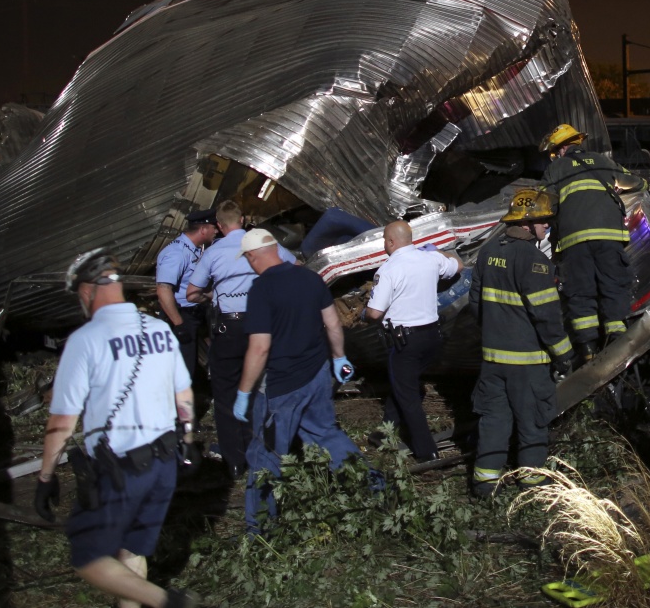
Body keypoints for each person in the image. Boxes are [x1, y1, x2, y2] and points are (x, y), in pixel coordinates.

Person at [33, 248, 198, 608]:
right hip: (165, 460)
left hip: (122, 468)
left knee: (88, 556)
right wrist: (187, 440)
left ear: (87, 291)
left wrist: (46, 477)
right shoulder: (159, 330)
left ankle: (169, 602)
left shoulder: (85, 340)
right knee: (132, 550)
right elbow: (183, 392)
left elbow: (62, 421)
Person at [232, 229, 366, 535]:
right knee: (326, 434)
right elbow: (332, 323)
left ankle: (261, 531)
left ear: (252, 257)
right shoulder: (310, 278)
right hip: (317, 374)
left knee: (265, 455)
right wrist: (338, 358)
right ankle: (372, 489)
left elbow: (260, 347)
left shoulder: (261, 289)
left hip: (281, 386)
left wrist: (243, 392)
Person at [468, 189, 573, 497]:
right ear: (529, 223)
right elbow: (548, 318)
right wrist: (564, 356)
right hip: (528, 364)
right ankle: (531, 487)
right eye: (544, 223)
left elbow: (476, 305)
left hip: (492, 361)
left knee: (494, 421)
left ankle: (484, 486)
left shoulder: (488, 252)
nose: (547, 229)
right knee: (532, 423)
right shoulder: (535, 261)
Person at [186, 200, 296, 476]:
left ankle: (234, 460)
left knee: (226, 392)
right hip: (265, 324)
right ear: (244, 218)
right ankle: (271, 451)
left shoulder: (213, 253)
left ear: (220, 226)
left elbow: (191, 293)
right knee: (266, 386)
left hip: (230, 328)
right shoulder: (263, 243)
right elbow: (294, 266)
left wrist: (214, 296)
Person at [538, 123, 648, 361]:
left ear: (563, 148)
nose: (555, 156)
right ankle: (617, 342)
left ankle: (587, 349)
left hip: (573, 241)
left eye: (555, 152)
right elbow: (638, 183)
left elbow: (544, 204)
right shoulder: (603, 161)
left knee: (580, 292)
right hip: (610, 237)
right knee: (613, 285)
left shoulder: (556, 169)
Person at [363, 221, 463, 462]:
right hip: (432, 338)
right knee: (404, 384)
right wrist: (437, 251)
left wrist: (362, 314)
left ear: (390, 242)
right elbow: (458, 265)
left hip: (405, 341)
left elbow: (375, 313)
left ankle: (427, 452)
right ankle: (384, 432)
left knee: (409, 397)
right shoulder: (430, 259)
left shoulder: (388, 269)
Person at [155, 207, 217, 378]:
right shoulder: (177, 253)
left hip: (194, 314)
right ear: (203, 229)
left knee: (191, 366)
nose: (216, 231)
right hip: (180, 316)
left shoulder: (194, 249)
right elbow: (163, 289)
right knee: (183, 371)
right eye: (214, 227)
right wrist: (179, 324)